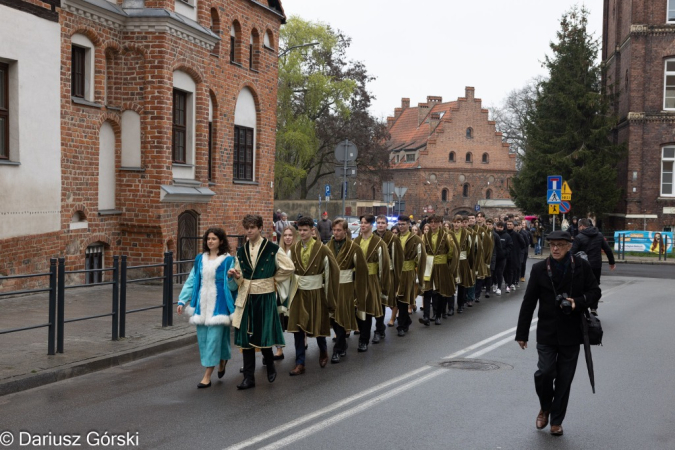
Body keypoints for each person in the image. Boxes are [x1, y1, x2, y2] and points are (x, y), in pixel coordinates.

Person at [516, 230, 601, 436]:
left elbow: (594, 292)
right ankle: (545, 407)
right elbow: (529, 302)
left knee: (564, 379)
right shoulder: (539, 269)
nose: (555, 248)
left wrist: (576, 302)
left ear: (569, 246)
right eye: (552, 244)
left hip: (572, 331)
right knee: (545, 372)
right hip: (547, 331)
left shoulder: (581, 266)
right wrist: (522, 333)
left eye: (560, 245)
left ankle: (556, 420)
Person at [229, 214, 295, 390]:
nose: (249, 231)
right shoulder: (241, 251)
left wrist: (272, 279)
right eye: (247, 228)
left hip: (264, 296)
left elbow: (289, 267)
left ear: (259, 228)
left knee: (263, 333)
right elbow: (239, 275)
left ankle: (270, 364)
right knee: (245, 338)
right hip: (246, 297)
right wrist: (236, 276)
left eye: (252, 227)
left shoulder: (272, 248)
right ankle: (249, 378)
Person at [177, 228, 237, 388]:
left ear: (221, 241)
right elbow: (191, 280)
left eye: (214, 239)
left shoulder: (228, 260)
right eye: (208, 239)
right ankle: (223, 359)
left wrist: (232, 277)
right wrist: (182, 301)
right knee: (204, 339)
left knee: (214, 339)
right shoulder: (199, 259)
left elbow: (233, 284)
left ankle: (207, 375)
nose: (210, 241)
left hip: (220, 304)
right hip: (201, 304)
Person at [286, 217, 339, 375]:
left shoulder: (322, 248)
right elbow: (288, 271)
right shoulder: (293, 249)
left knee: (317, 325)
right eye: (300, 230)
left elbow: (332, 270)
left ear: (312, 231)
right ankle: (300, 363)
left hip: (316, 291)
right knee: (297, 329)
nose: (302, 233)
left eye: (305, 230)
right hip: (299, 292)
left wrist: (329, 293)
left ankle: (323, 350)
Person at [326, 218, 367, 363]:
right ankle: (342, 344)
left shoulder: (353, 247)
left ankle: (337, 349)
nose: (336, 233)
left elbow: (362, 270)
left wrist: (358, 291)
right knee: (334, 318)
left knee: (342, 316)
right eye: (334, 230)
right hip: (332, 286)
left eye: (339, 230)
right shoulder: (327, 246)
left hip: (346, 285)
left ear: (345, 231)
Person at [352, 215, 391, 352]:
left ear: (371, 225)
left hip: (371, 279)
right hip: (357, 279)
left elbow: (384, 266)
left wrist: (383, 285)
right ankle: (363, 332)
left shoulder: (379, 243)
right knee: (357, 310)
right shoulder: (355, 241)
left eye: (365, 223)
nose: (362, 225)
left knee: (367, 311)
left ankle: (364, 340)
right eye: (361, 223)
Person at [421, 215, 457, 324]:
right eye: (431, 222)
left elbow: (451, 251)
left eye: (435, 222)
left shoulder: (446, 236)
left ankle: (438, 315)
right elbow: (422, 251)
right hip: (429, 266)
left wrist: (446, 263)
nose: (433, 224)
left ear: (440, 223)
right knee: (427, 291)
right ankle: (426, 316)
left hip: (441, 266)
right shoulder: (425, 236)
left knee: (440, 292)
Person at [395, 215, 426, 336]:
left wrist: (419, 276)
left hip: (408, 272)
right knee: (397, 298)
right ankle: (406, 320)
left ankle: (402, 325)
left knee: (403, 299)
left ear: (409, 224)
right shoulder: (395, 238)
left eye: (403, 224)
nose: (401, 227)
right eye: (399, 224)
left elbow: (421, 258)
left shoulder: (416, 239)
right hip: (396, 272)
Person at [570, 218, 616, 295]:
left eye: (578, 227)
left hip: (583, 265)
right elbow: (608, 249)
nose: (578, 229)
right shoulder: (599, 235)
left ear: (581, 226)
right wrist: (612, 262)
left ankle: (585, 301)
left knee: (583, 285)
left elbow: (572, 252)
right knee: (595, 285)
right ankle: (594, 305)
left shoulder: (579, 237)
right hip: (596, 265)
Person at [274, 226, 299, 361]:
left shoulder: (298, 250)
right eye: (285, 235)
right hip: (280, 286)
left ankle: (303, 341)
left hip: (294, 286)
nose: (288, 237)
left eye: (290, 235)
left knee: (295, 318)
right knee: (279, 319)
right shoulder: (277, 251)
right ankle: (279, 349)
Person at [375, 215, 403, 332]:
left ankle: (393, 319)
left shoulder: (393, 238)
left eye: (383, 223)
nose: (380, 225)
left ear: (387, 225)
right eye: (378, 223)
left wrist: (397, 276)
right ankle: (379, 327)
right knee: (378, 301)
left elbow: (398, 258)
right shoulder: (371, 237)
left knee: (390, 298)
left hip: (389, 272)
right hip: (375, 273)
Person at [493, 221, 512, 296]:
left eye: (501, 227)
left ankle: (499, 288)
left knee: (500, 272)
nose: (499, 228)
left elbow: (510, 246)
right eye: (498, 226)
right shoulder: (493, 234)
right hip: (494, 257)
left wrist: (504, 253)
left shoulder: (507, 236)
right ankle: (495, 283)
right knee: (493, 272)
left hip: (502, 258)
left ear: (503, 227)